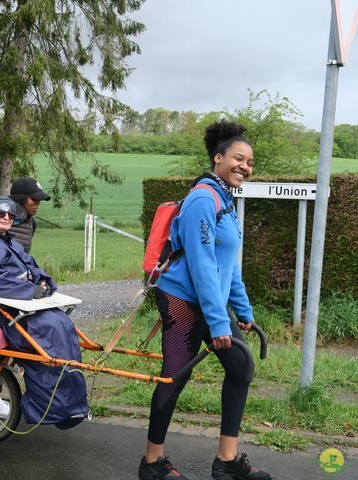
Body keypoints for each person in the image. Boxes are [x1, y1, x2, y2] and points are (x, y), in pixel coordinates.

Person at [138, 121, 271, 480]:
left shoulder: (224, 199)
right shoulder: (202, 199)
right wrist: (217, 323)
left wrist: (241, 311)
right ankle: (152, 462)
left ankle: (226, 461)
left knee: (241, 368)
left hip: (208, 298)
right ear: (218, 158)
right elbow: (200, 266)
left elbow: (226, 266)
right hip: (182, 298)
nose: (245, 166)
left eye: (249, 161)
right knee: (175, 376)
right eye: (238, 158)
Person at [0, 196, 89, 429]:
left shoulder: (7, 241)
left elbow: (32, 267)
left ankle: (70, 405)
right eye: (1, 214)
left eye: (10, 215)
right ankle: (49, 408)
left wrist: (44, 283)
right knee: (50, 331)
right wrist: (31, 290)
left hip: (18, 306)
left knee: (64, 326)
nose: (7, 218)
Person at [8, 177, 51, 253]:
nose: (38, 203)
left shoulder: (32, 222)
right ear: (19, 198)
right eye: (34, 199)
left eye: (39, 200)